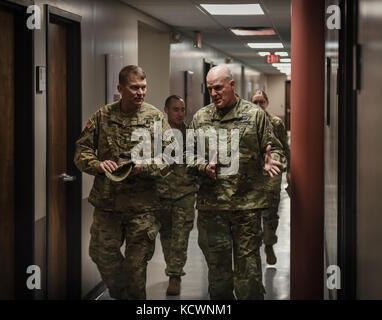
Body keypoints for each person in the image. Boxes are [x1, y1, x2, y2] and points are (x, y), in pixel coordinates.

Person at [188, 65, 287, 300]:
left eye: (219, 87)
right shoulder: (201, 118)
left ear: (232, 85)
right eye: (210, 89)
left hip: (247, 209)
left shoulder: (255, 116)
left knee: (248, 276)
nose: (214, 93)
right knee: (218, 277)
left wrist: (271, 163)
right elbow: (186, 155)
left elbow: (278, 152)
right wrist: (202, 166)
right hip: (212, 210)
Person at [74, 65, 171, 300]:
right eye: (134, 87)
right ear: (120, 88)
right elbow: (82, 150)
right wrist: (97, 164)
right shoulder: (103, 115)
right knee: (100, 253)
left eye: (143, 87)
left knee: (136, 270)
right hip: (108, 205)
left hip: (142, 208)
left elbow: (171, 156)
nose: (140, 92)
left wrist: (143, 166)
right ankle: (123, 295)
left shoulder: (154, 117)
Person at [155, 95, 198, 295]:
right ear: (166, 110)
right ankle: (171, 267)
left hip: (185, 194)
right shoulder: (156, 134)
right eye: (175, 109)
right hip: (161, 195)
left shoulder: (192, 135)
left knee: (181, 237)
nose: (180, 113)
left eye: (182, 109)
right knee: (166, 236)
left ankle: (175, 275)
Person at [251, 90, 290, 265]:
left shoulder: (276, 122)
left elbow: (285, 147)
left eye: (261, 102)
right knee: (251, 212)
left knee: (271, 210)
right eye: (255, 102)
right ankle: (253, 248)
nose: (259, 105)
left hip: (273, 168)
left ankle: (269, 243)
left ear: (267, 102)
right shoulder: (247, 122)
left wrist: (290, 170)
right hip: (253, 168)